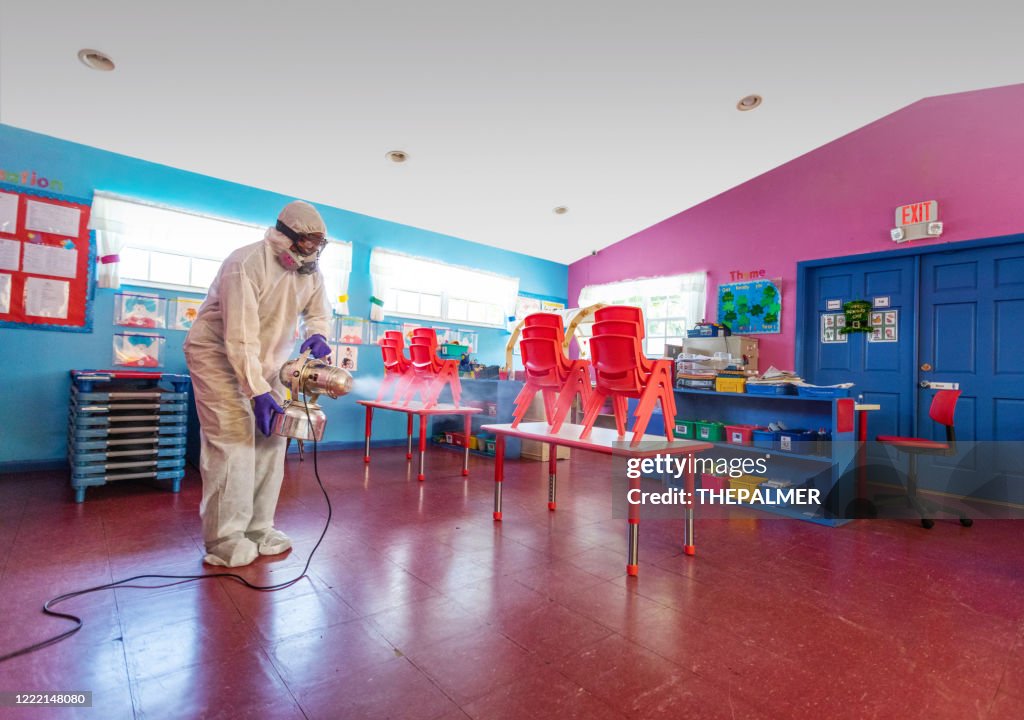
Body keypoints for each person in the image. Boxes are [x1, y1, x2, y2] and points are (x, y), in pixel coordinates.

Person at [184, 200, 333, 567]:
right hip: (218, 357)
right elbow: (239, 338)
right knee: (233, 442)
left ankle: (259, 528)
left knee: (272, 441)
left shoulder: (309, 273)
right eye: (309, 242)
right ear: (287, 236)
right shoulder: (246, 263)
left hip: (268, 362)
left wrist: (318, 335)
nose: (314, 250)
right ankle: (225, 539)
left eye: (319, 243)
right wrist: (257, 391)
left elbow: (319, 311)